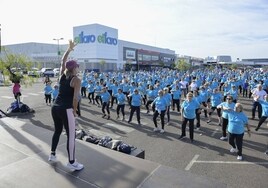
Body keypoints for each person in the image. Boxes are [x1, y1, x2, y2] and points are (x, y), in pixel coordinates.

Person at [49, 39, 84, 171]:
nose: (78, 68)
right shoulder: (76, 80)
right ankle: (72, 162)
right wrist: (74, 111)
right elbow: (75, 98)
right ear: (74, 68)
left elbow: (63, 60)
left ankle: (52, 154)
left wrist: (69, 50)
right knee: (71, 136)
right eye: (77, 66)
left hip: (55, 107)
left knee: (57, 131)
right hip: (66, 109)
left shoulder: (62, 75)